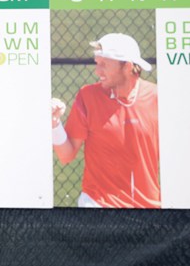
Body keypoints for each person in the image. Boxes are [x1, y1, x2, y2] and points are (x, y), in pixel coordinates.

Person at [51, 33, 160, 208]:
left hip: (149, 209)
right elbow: (66, 155)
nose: (97, 71)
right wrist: (54, 124)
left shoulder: (157, 97)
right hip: (97, 205)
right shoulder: (87, 96)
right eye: (97, 63)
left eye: (104, 65)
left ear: (128, 66)